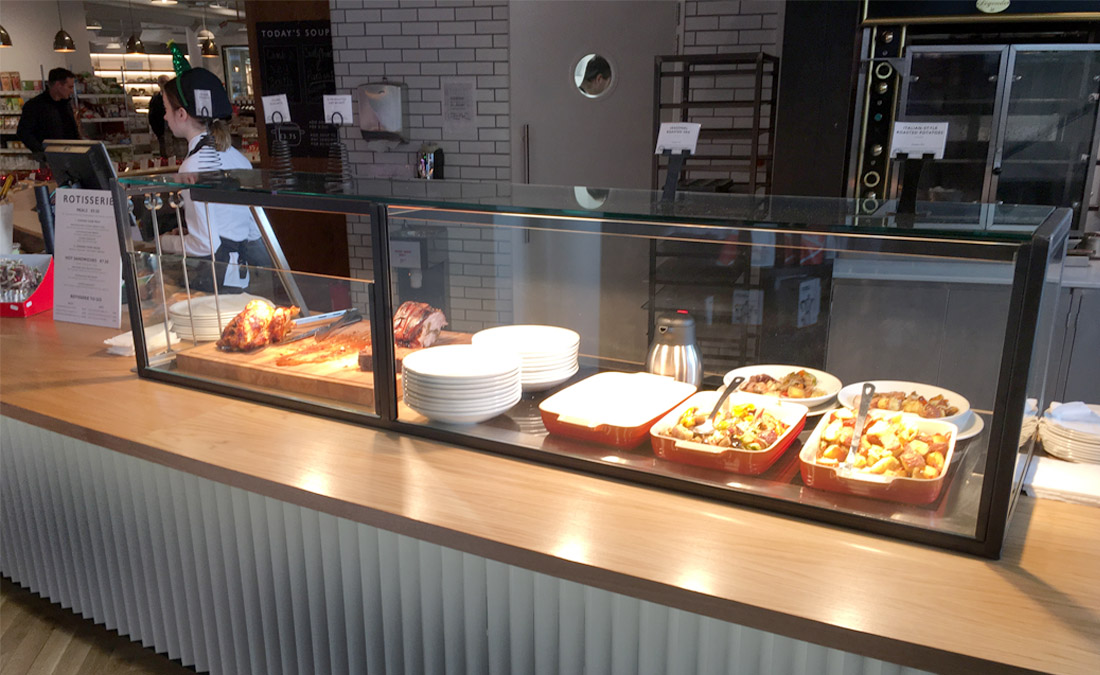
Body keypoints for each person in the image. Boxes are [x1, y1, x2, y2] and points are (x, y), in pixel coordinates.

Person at [160, 67, 272, 294]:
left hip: (214, 280)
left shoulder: (192, 168)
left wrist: (161, 243)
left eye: (166, 109)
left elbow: (205, 243)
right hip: (240, 278)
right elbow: (253, 232)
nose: (164, 116)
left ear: (181, 114)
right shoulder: (239, 159)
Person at [16, 68, 80, 160]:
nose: (72, 91)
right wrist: (43, 152)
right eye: (70, 87)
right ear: (58, 85)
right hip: (49, 160)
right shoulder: (35, 106)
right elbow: (23, 133)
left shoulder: (66, 105)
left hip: (70, 156)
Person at [148, 74, 169, 158]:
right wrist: (158, 132)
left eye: (166, 82)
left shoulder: (174, 97)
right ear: (158, 84)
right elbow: (152, 116)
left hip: (176, 134)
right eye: (162, 82)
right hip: (162, 131)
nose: (164, 84)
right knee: (165, 154)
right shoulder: (155, 99)